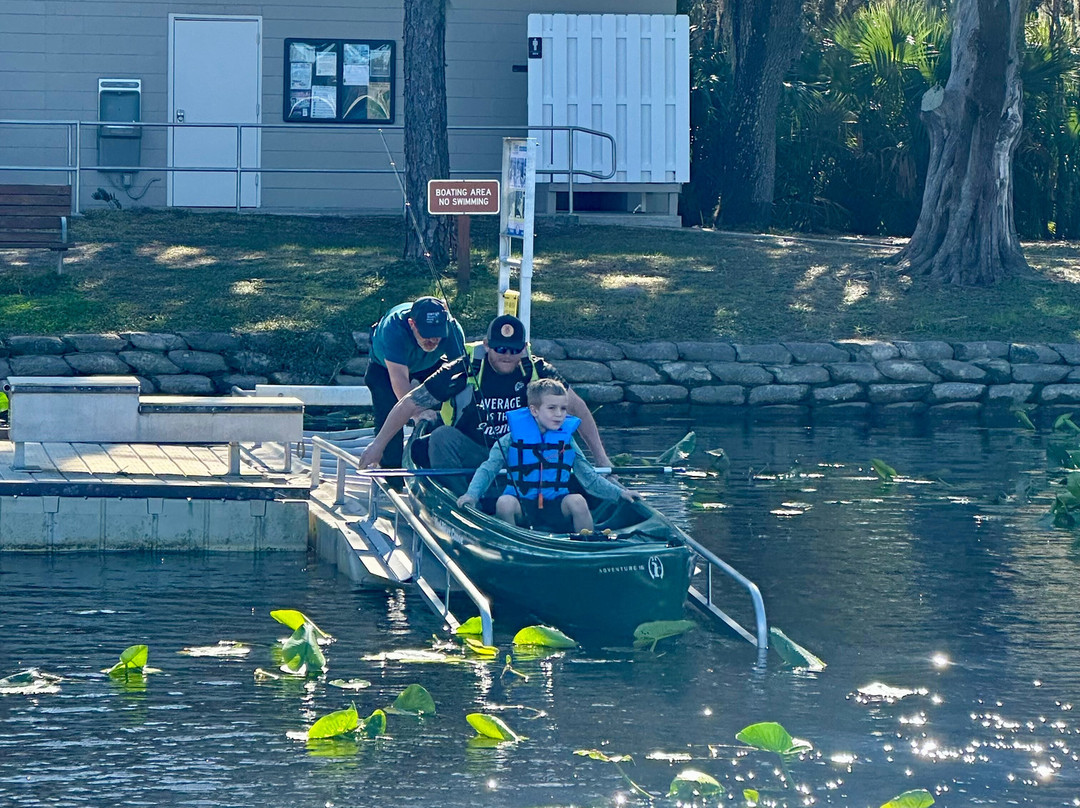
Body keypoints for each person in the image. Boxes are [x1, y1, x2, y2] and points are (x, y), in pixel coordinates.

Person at [358, 314, 612, 489]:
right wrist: (379, 445)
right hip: (473, 452)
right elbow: (409, 403)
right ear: (487, 345)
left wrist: (601, 459)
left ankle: (583, 491)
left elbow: (577, 408)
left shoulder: (537, 370)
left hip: (521, 455)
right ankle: (462, 500)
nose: (507, 356)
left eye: (514, 350)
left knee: (562, 437)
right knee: (440, 436)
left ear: (523, 348)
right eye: (500, 349)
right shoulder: (461, 369)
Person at [456, 379, 640, 533]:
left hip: (556, 503)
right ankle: (513, 544)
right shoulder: (510, 439)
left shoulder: (567, 441)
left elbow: (589, 478)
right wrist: (472, 495)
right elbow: (488, 469)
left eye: (563, 408)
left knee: (578, 501)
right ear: (534, 410)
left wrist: (620, 494)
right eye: (552, 408)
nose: (559, 415)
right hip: (522, 504)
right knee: (504, 503)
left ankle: (587, 543)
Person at [364, 296, 465, 468]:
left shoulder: (452, 328)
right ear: (412, 324)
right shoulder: (394, 328)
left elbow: (462, 373)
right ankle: (391, 474)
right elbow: (399, 379)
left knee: (447, 404)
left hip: (430, 362)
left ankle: (435, 463)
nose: (433, 340)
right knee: (390, 411)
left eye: (438, 335)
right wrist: (416, 414)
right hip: (386, 367)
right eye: (426, 335)